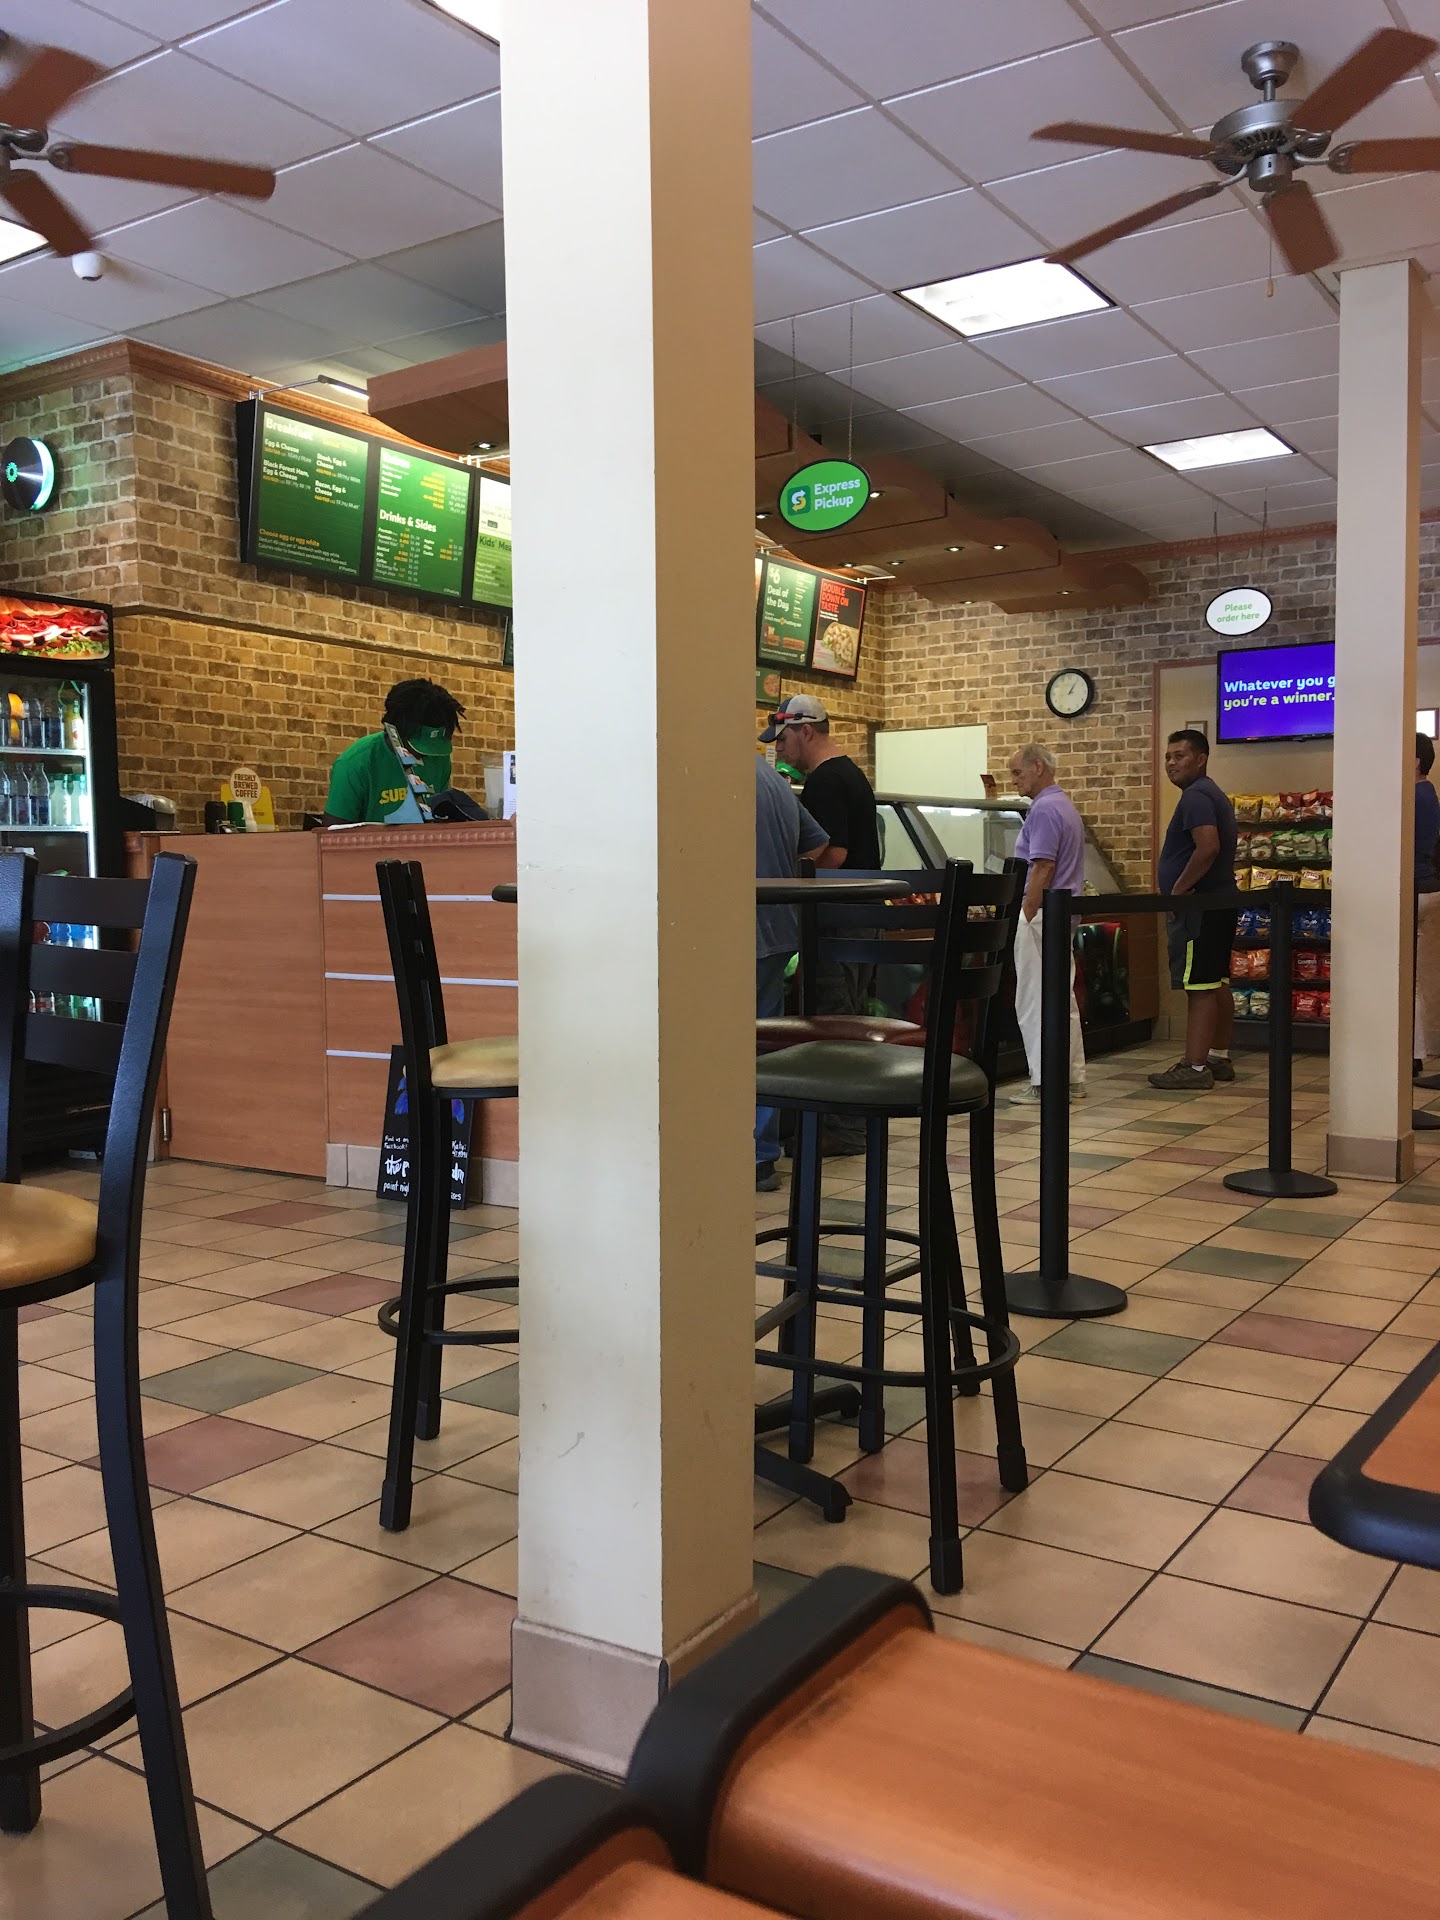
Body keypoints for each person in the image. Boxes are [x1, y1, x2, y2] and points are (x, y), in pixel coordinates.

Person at [759, 693, 879, 1154]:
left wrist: (789, 876)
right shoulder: (850, 773)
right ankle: (852, 1123)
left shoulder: (825, 781)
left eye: (783, 739)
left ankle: (843, 1129)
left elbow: (834, 853)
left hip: (837, 919)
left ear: (806, 731)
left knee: (834, 1023)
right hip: (863, 918)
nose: (780, 748)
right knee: (851, 1019)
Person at [754, 754, 828, 1191]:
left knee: (716, 1044)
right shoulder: (772, 779)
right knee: (762, 1041)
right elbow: (817, 844)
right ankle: (760, 1156)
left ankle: (722, 1154)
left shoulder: (708, 768)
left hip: (731, 928)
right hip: (778, 927)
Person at [1151, 728, 1238, 1091]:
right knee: (1216, 981)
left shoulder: (1196, 797)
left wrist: (1178, 891)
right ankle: (1217, 1057)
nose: (1171, 763)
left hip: (1199, 908)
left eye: (1180, 756)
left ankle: (1195, 1066)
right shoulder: (1210, 792)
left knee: (1200, 986)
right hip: (1218, 903)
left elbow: (1208, 847)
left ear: (1201, 759)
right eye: (1168, 757)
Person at [1007, 743, 1086, 1105]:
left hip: (1040, 915)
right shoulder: (1064, 805)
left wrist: (1025, 913)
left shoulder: (1042, 809)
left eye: (1017, 772)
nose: (1014, 781)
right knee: (1062, 999)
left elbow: (1042, 865)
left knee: (1033, 999)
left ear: (1038, 767)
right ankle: (1071, 1078)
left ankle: (1043, 1081)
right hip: (1062, 914)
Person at [323, 679, 467, 826]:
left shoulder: (438, 757)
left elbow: (439, 819)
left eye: (433, 746)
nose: (425, 755)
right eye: (419, 746)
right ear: (395, 731)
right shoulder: (354, 764)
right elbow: (333, 831)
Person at [1414, 732, 1440, 1069]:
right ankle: (1414, 1052)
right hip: (1427, 886)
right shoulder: (1429, 794)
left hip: (1414, 888)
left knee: (1405, 977)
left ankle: (1412, 1053)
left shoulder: (1414, 797)